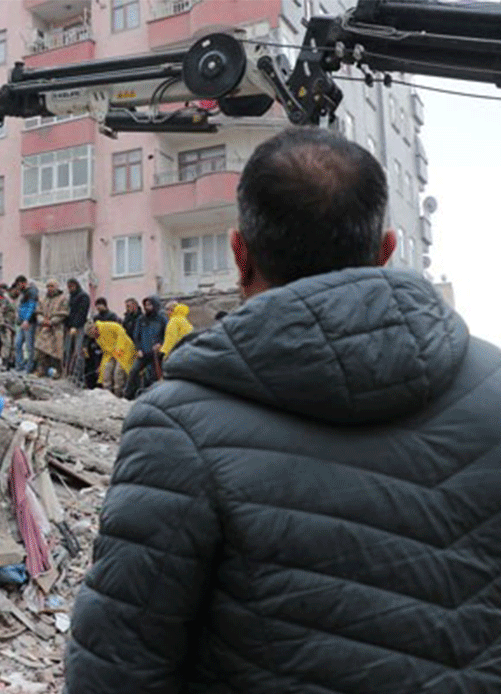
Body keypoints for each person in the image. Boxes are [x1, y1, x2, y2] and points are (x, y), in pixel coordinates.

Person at [68, 127, 501, 693]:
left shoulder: (176, 429)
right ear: (387, 250)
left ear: (239, 253)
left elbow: (116, 671)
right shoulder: (493, 387)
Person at [123, 296, 167, 399]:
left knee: (154, 376)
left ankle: (156, 397)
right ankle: (128, 394)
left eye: (150, 305)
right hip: (143, 352)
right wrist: (138, 349)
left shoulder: (162, 319)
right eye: (146, 305)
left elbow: (166, 334)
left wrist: (160, 344)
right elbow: (136, 336)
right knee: (134, 371)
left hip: (156, 353)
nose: (147, 307)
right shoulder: (141, 319)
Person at [84, 320, 135, 397]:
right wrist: (101, 366)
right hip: (112, 353)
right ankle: (107, 393)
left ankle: (119, 394)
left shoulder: (106, 326)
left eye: (92, 334)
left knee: (118, 372)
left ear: (94, 328)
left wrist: (119, 347)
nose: (93, 336)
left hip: (124, 349)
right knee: (106, 370)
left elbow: (120, 330)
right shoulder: (98, 338)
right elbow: (105, 352)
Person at [33, 279, 68, 377]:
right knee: (40, 349)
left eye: (52, 286)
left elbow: (64, 313)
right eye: (48, 286)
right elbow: (38, 312)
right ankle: (41, 370)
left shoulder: (62, 299)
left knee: (56, 351)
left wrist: (52, 321)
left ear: (57, 287)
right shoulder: (42, 299)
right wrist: (41, 320)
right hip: (43, 328)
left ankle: (58, 372)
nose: (50, 288)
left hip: (56, 329)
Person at [64, 278, 91, 380]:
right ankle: (68, 373)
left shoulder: (83, 296)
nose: (70, 289)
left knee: (78, 352)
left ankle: (78, 376)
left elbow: (81, 313)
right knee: (68, 351)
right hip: (70, 327)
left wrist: (74, 326)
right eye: (69, 287)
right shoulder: (71, 297)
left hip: (79, 327)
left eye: (71, 286)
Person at [12, 275, 39, 373]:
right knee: (17, 344)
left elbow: (31, 307)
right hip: (22, 323)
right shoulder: (24, 293)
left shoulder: (32, 291)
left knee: (29, 346)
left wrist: (27, 320)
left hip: (29, 323)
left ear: (23, 283)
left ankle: (29, 368)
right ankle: (19, 366)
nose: (18, 287)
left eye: (19, 284)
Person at [0, 284, 19, 369]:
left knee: (13, 345)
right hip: (5, 325)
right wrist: (1, 323)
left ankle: (11, 362)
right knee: (6, 344)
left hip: (13, 325)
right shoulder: (4, 299)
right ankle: (4, 362)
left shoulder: (14, 300)